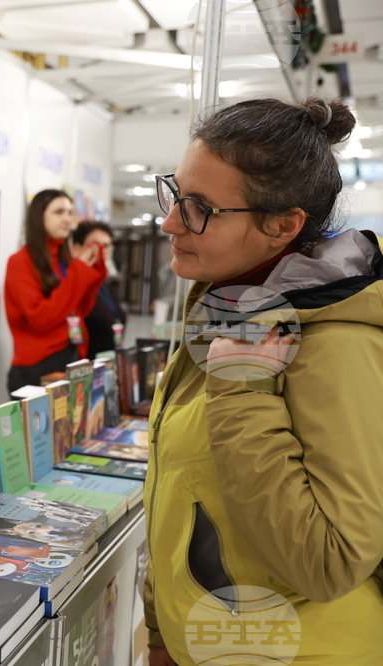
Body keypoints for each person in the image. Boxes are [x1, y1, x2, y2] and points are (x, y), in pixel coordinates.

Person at [145, 97, 383, 666]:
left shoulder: (337, 342)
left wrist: (241, 391)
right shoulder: (229, 309)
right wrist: (160, 633)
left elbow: (331, 560)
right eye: (175, 195)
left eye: (199, 207)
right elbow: (185, 495)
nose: (169, 222)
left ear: (283, 225)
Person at [4, 189, 107, 393]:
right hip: (36, 369)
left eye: (70, 212)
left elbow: (79, 310)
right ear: (38, 216)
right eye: (59, 212)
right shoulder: (20, 262)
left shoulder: (64, 258)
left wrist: (93, 272)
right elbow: (40, 318)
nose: (67, 219)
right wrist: (78, 273)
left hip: (71, 359)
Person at [72, 221, 127, 359]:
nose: (102, 250)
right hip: (84, 366)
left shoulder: (102, 283)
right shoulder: (71, 283)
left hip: (106, 364)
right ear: (77, 248)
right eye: (95, 244)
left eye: (107, 245)